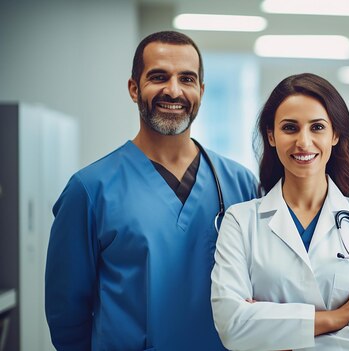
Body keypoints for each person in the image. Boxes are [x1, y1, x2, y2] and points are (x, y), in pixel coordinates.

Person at [45, 31, 257, 350]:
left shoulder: (240, 183)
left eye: (186, 79)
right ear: (134, 88)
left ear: (200, 91)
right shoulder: (89, 190)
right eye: (158, 77)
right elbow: (67, 316)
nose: (173, 90)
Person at [211, 73, 349, 350]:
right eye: (290, 128)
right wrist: (339, 316)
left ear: (335, 134)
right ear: (271, 136)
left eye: (317, 127)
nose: (303, 141)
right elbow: (232, 324)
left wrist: (273, 333)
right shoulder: (240, 221)